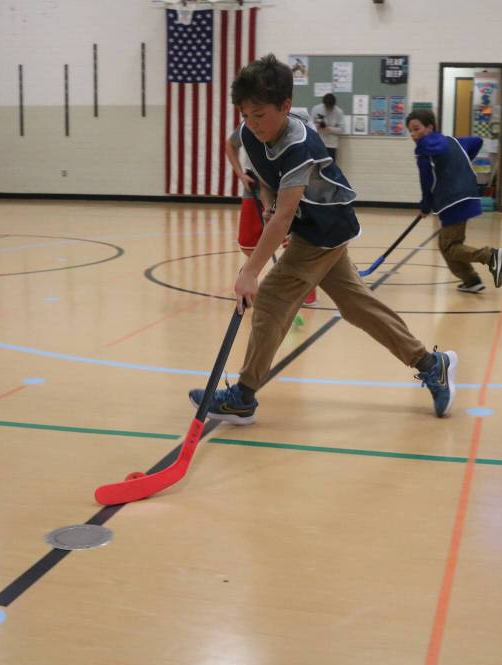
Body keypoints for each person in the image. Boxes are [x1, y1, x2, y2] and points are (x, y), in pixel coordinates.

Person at [189, 54, 458, 423]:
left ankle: (243, 396)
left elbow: (284, 216)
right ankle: (431, 363)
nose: (252, 125)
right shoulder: (252, 128)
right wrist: (267, 199)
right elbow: (266, 176)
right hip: (315, 226)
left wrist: (250, 271)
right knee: (357, 306)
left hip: (323, 230)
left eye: (260, 116)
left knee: (269, 298)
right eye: (245, 116)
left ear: (285, 106)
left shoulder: (299, 143)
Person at [405, 109, 502, 293]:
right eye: (410, 131)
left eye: (416, 129)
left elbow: (427, 182)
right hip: (469, 194)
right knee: (448, 244)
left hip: (452, 201)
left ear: (430, 127)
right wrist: (462, 160)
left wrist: (425, 207)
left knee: (449, 247)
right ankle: (471, 280)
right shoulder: (452, 141)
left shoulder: (423, 152)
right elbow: (477, 141)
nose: (413, 134)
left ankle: (491, 256)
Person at [224, 128, 317, 306]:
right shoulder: (247, 126)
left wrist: (271, 208)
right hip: (254, 184)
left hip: (282, 183)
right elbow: (230, 144)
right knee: (247, 241)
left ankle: (305, 286)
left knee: (291, 241)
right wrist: (241, 175)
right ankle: (251, 278)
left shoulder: (289, 126)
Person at [309, 93, 345, 161]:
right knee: (316, 165)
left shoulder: (339, 112)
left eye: (330, 107)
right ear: (324, 104)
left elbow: (342, 130)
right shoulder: (316, 109)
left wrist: (329, 129)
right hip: (317, 143)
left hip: (331, 145)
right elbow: (310, 125)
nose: (328, 108)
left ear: (333, 105)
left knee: (330, 166)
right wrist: (316, 126)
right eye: (326, 106)